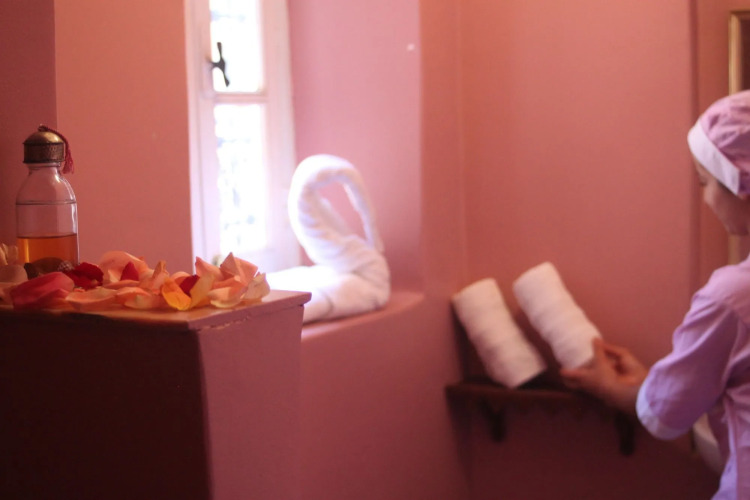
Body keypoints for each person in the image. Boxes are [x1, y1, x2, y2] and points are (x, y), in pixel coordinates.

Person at [561, 90, 750, 500]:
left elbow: (666, 414)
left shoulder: (732, 298)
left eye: (704, 182)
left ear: (740, 185)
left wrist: (617, 389)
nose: (705, 198)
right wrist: (657, 381)